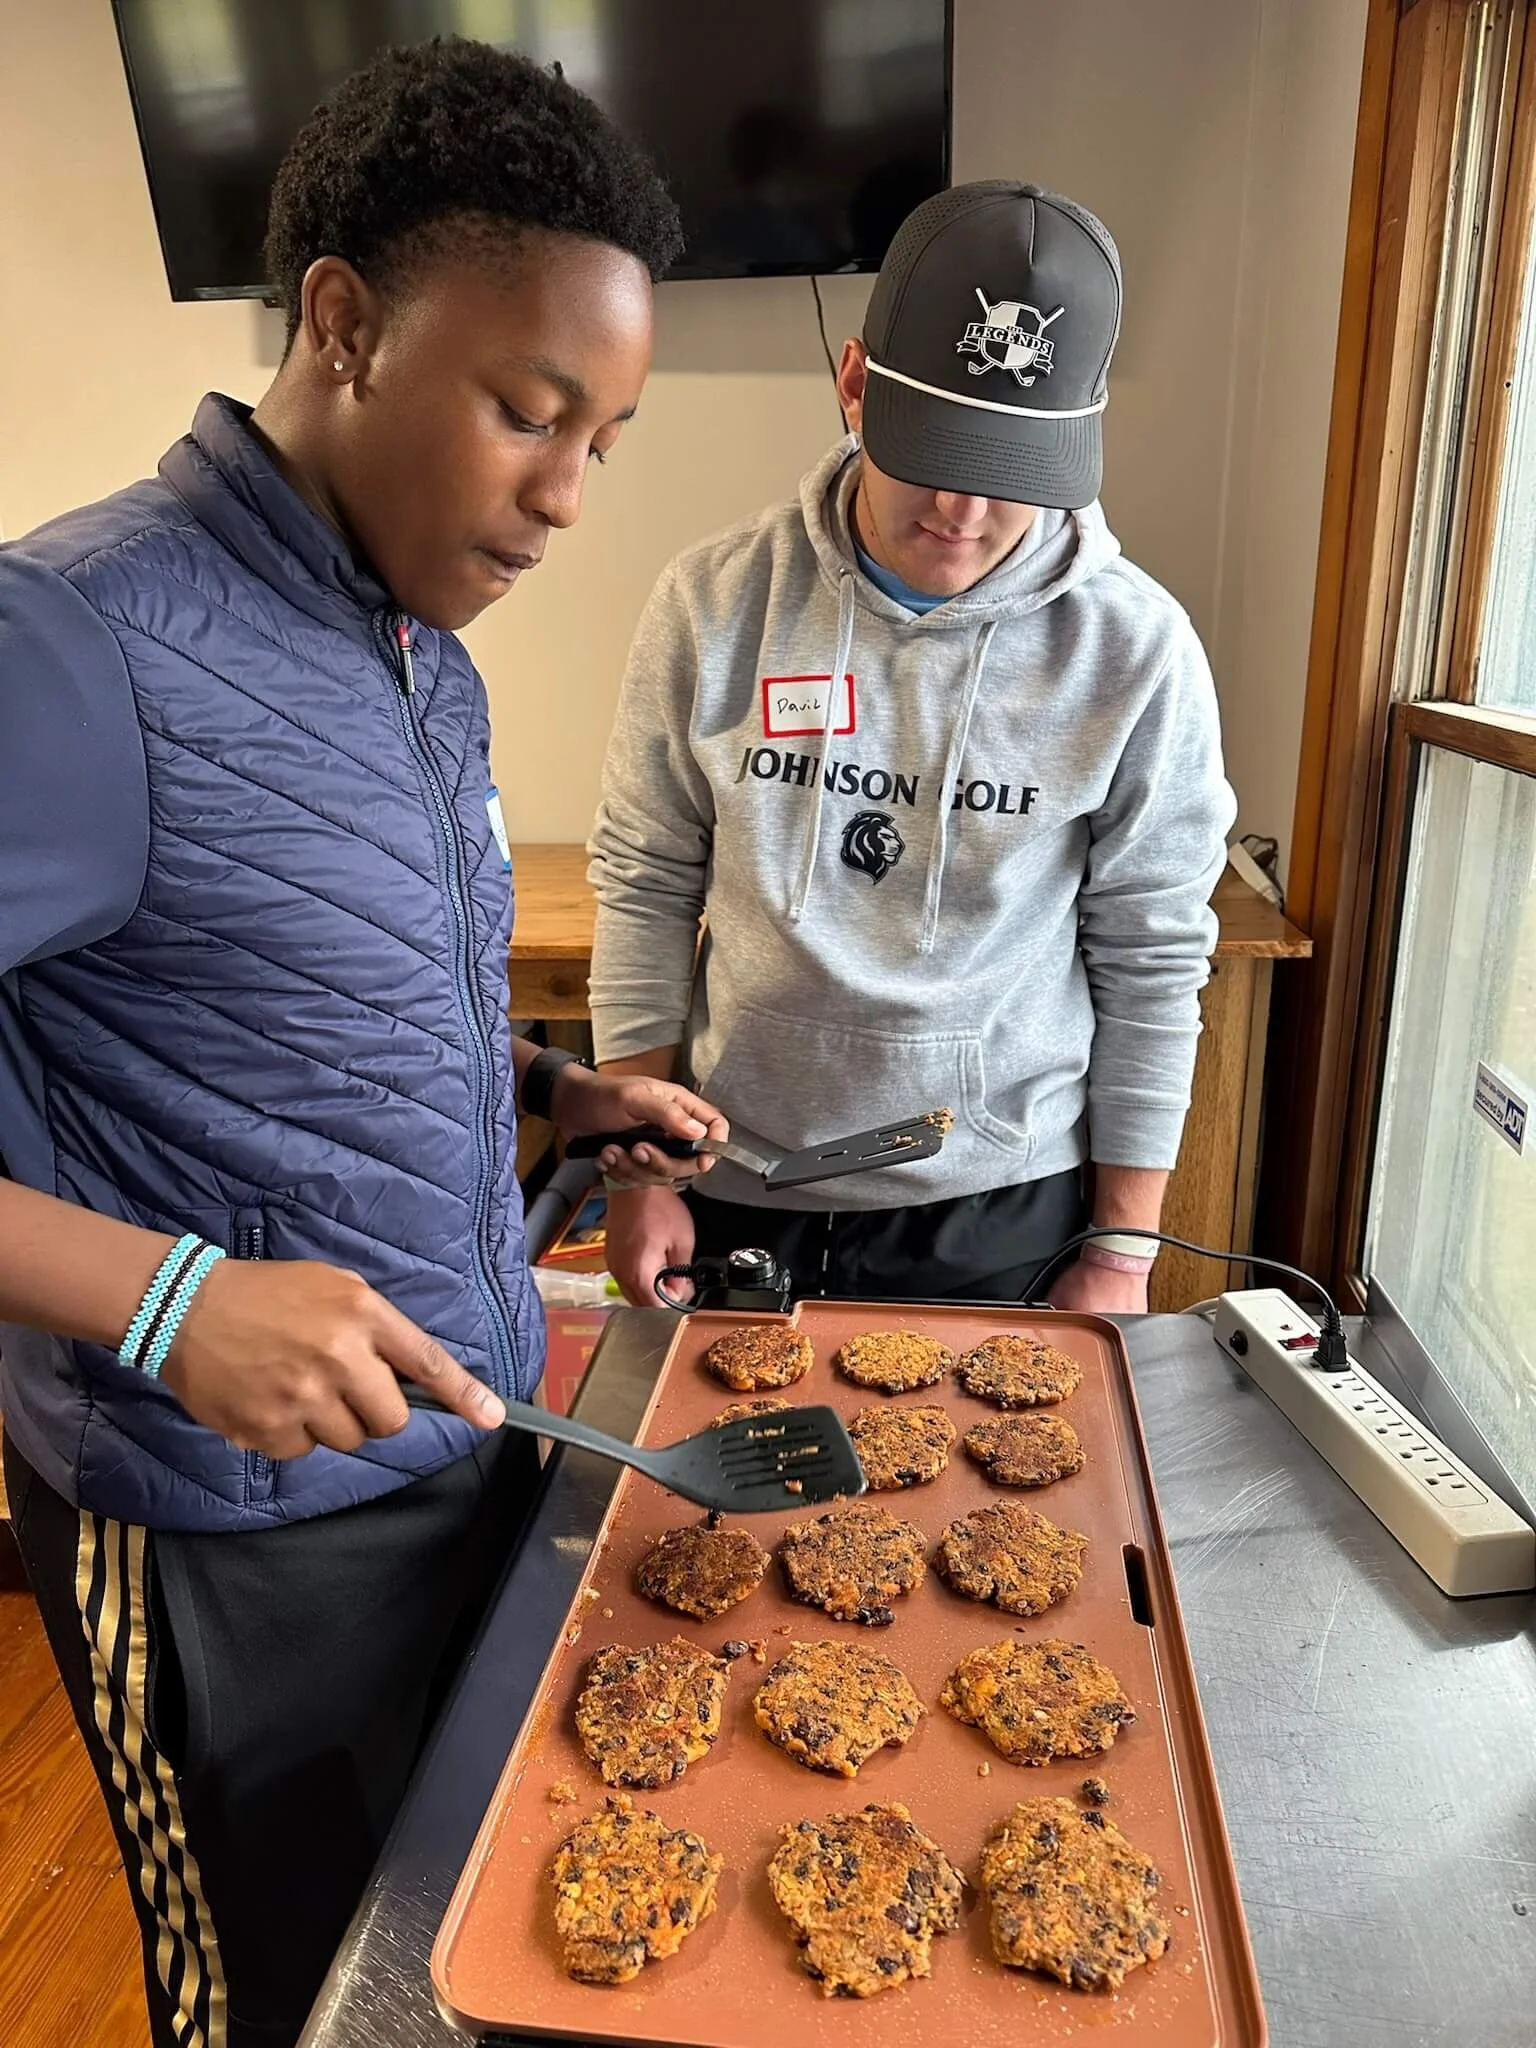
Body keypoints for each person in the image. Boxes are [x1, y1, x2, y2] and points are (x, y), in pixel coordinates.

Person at [0, 41, 727, 2048]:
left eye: (608, 436)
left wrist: (549, 1097)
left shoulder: (426, 657)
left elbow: (297, 1012)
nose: (568, 494)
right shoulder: (69, 641)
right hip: (231, 1543)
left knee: (436, 1982)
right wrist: (165, 1303)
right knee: (281, 2000)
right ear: (343, 319)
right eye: (527, 411)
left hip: (461, 1456)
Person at [589, 180, 1237, 1311]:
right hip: (733, 1176)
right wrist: (638, 1173)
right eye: (929, 448)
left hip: (998, 1201)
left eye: (1007, 474)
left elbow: (1153, 955)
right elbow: (643, 886)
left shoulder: (1137, 651)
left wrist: (1124, 1250)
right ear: (853, 384)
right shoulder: (712, 602)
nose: (961, 509)